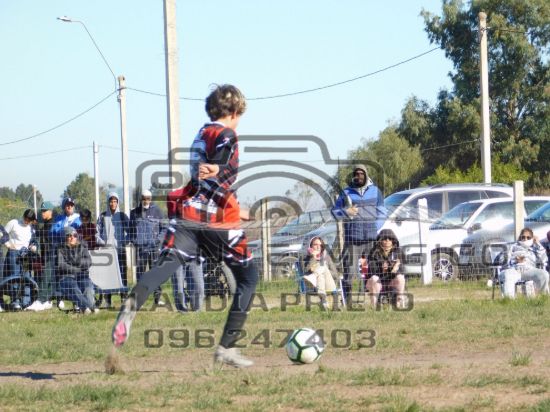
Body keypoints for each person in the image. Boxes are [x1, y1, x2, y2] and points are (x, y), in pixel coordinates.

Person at [112, 84, 259, 368]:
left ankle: (132, 304)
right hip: (216, 220)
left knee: (164, 266)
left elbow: (203, 177)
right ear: (234, 111)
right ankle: (226, 348)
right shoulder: (227, 134)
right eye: (240, 114)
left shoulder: (201, 134)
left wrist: (233, 201)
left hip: (188, 215)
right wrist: (220, 172)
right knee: (249, 278)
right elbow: (221, 168)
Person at [332, 164, 385, 305]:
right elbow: (334, 212)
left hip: (371, 239)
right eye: (356, 173)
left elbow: (382, 212)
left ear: (366, 175)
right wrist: (346, 212)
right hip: (352, 239)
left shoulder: (376, 191)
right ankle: (348, 301)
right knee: (349, 271)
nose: (359, 176)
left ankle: (378, 300)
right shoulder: (346, 193)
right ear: (353, 176)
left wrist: (375, 227)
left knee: (376, 270)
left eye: (361, 173)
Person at [130, 189, 165, 306]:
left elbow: (164, 228)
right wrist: (134, 241)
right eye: (144, 198)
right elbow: (130, 230)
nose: (146, 201)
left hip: (154, 249)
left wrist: (158, 240)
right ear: (141, 199)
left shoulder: (158, 211)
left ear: (151, 199)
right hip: (140, 249)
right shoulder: (134, 213)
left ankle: (157, 298)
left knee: (155, 273)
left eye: (148, 198)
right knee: (140, 274)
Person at [97, 192, 130, 308]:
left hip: (120, 251)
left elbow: (130, 232)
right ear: (108, 202)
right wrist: (103, 243)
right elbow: (96, 233)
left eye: (115, 201)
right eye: (111, 201)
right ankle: (108, 301)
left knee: (122, 275)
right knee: (108, 277)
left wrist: (123, 242)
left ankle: (124, 299)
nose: (113, 203)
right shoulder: (102, 216)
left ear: (118, 202)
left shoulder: (122, 216)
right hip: (107, 252)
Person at [499, 228, 549, 299]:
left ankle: (542, 298)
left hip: (529, 269)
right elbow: (502, 260)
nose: (525, 239)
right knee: (507, 275)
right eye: (523, 237)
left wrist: (537, 243)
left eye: (528, 237)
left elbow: (544, 259)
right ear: (520, 237)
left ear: (532, 238)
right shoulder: (513, 246)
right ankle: (509, 300)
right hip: (514, 269)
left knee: (544, 274)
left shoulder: (535, 247)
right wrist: (514, 260)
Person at [2, 209, 37, 310]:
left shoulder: (31, 228)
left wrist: (34, 246)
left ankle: (26, 302)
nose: (26, 221)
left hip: (26, 254)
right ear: (23, 216)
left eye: (29, 220)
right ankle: (15, 301)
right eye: (26, 219)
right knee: (15, 278)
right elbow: (2, 233)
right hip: (14, 253)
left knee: (27, 277)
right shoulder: (14, 223)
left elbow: (34, 240)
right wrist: (7, 244)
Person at [57, 226, 96, 314]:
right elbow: (62, 265)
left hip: (82, 275)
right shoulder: (60, 249)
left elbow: (89, 262)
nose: (72, 238)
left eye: (74, 235)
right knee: (74, 287)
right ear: (64, 237)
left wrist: (77, 261)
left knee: (88, 287)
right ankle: (89, 308)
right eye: (69, 235)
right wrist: (77, 269)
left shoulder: (83, 247)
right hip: (67, 276)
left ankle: (87, 309)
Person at [26, 201, 57, 312]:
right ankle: (47, 300)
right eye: (42, 211)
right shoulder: (46, 223)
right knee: (48, 278)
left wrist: (36, 227)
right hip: (46, 254)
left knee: (45, 278)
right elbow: (41, 233)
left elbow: (46, 235)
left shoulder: (53, 223)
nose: (42, 213)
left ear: (50, 211)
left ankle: (40, 300)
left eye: (45, 211)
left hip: (51, 254)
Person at [366, 229, 406, 307]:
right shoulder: (373, 252)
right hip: (378, 281)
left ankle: (398, 304)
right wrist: (382, 268)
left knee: (400, 278)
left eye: (390, 239)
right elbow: (371, 270)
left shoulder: (398, 251)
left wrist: (395, 268)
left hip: (392, 280)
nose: (387, 241)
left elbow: (403, 270)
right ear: (380, 240)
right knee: (374, 278)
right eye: (384, 239)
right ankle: (374, 306)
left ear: (393, 240)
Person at [302, 236, 338, 310]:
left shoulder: (326, 257)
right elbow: (306, 272)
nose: (318, 247)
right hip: (313, 285)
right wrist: (313, 257)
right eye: (315, 244)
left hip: (329, 284)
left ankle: (323, 300)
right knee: (320, 275)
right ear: (310, 246)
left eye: (320, 245)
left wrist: (324, 271)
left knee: (323, 266)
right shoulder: (305, 258)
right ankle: (324, 301)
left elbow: (335, 274)